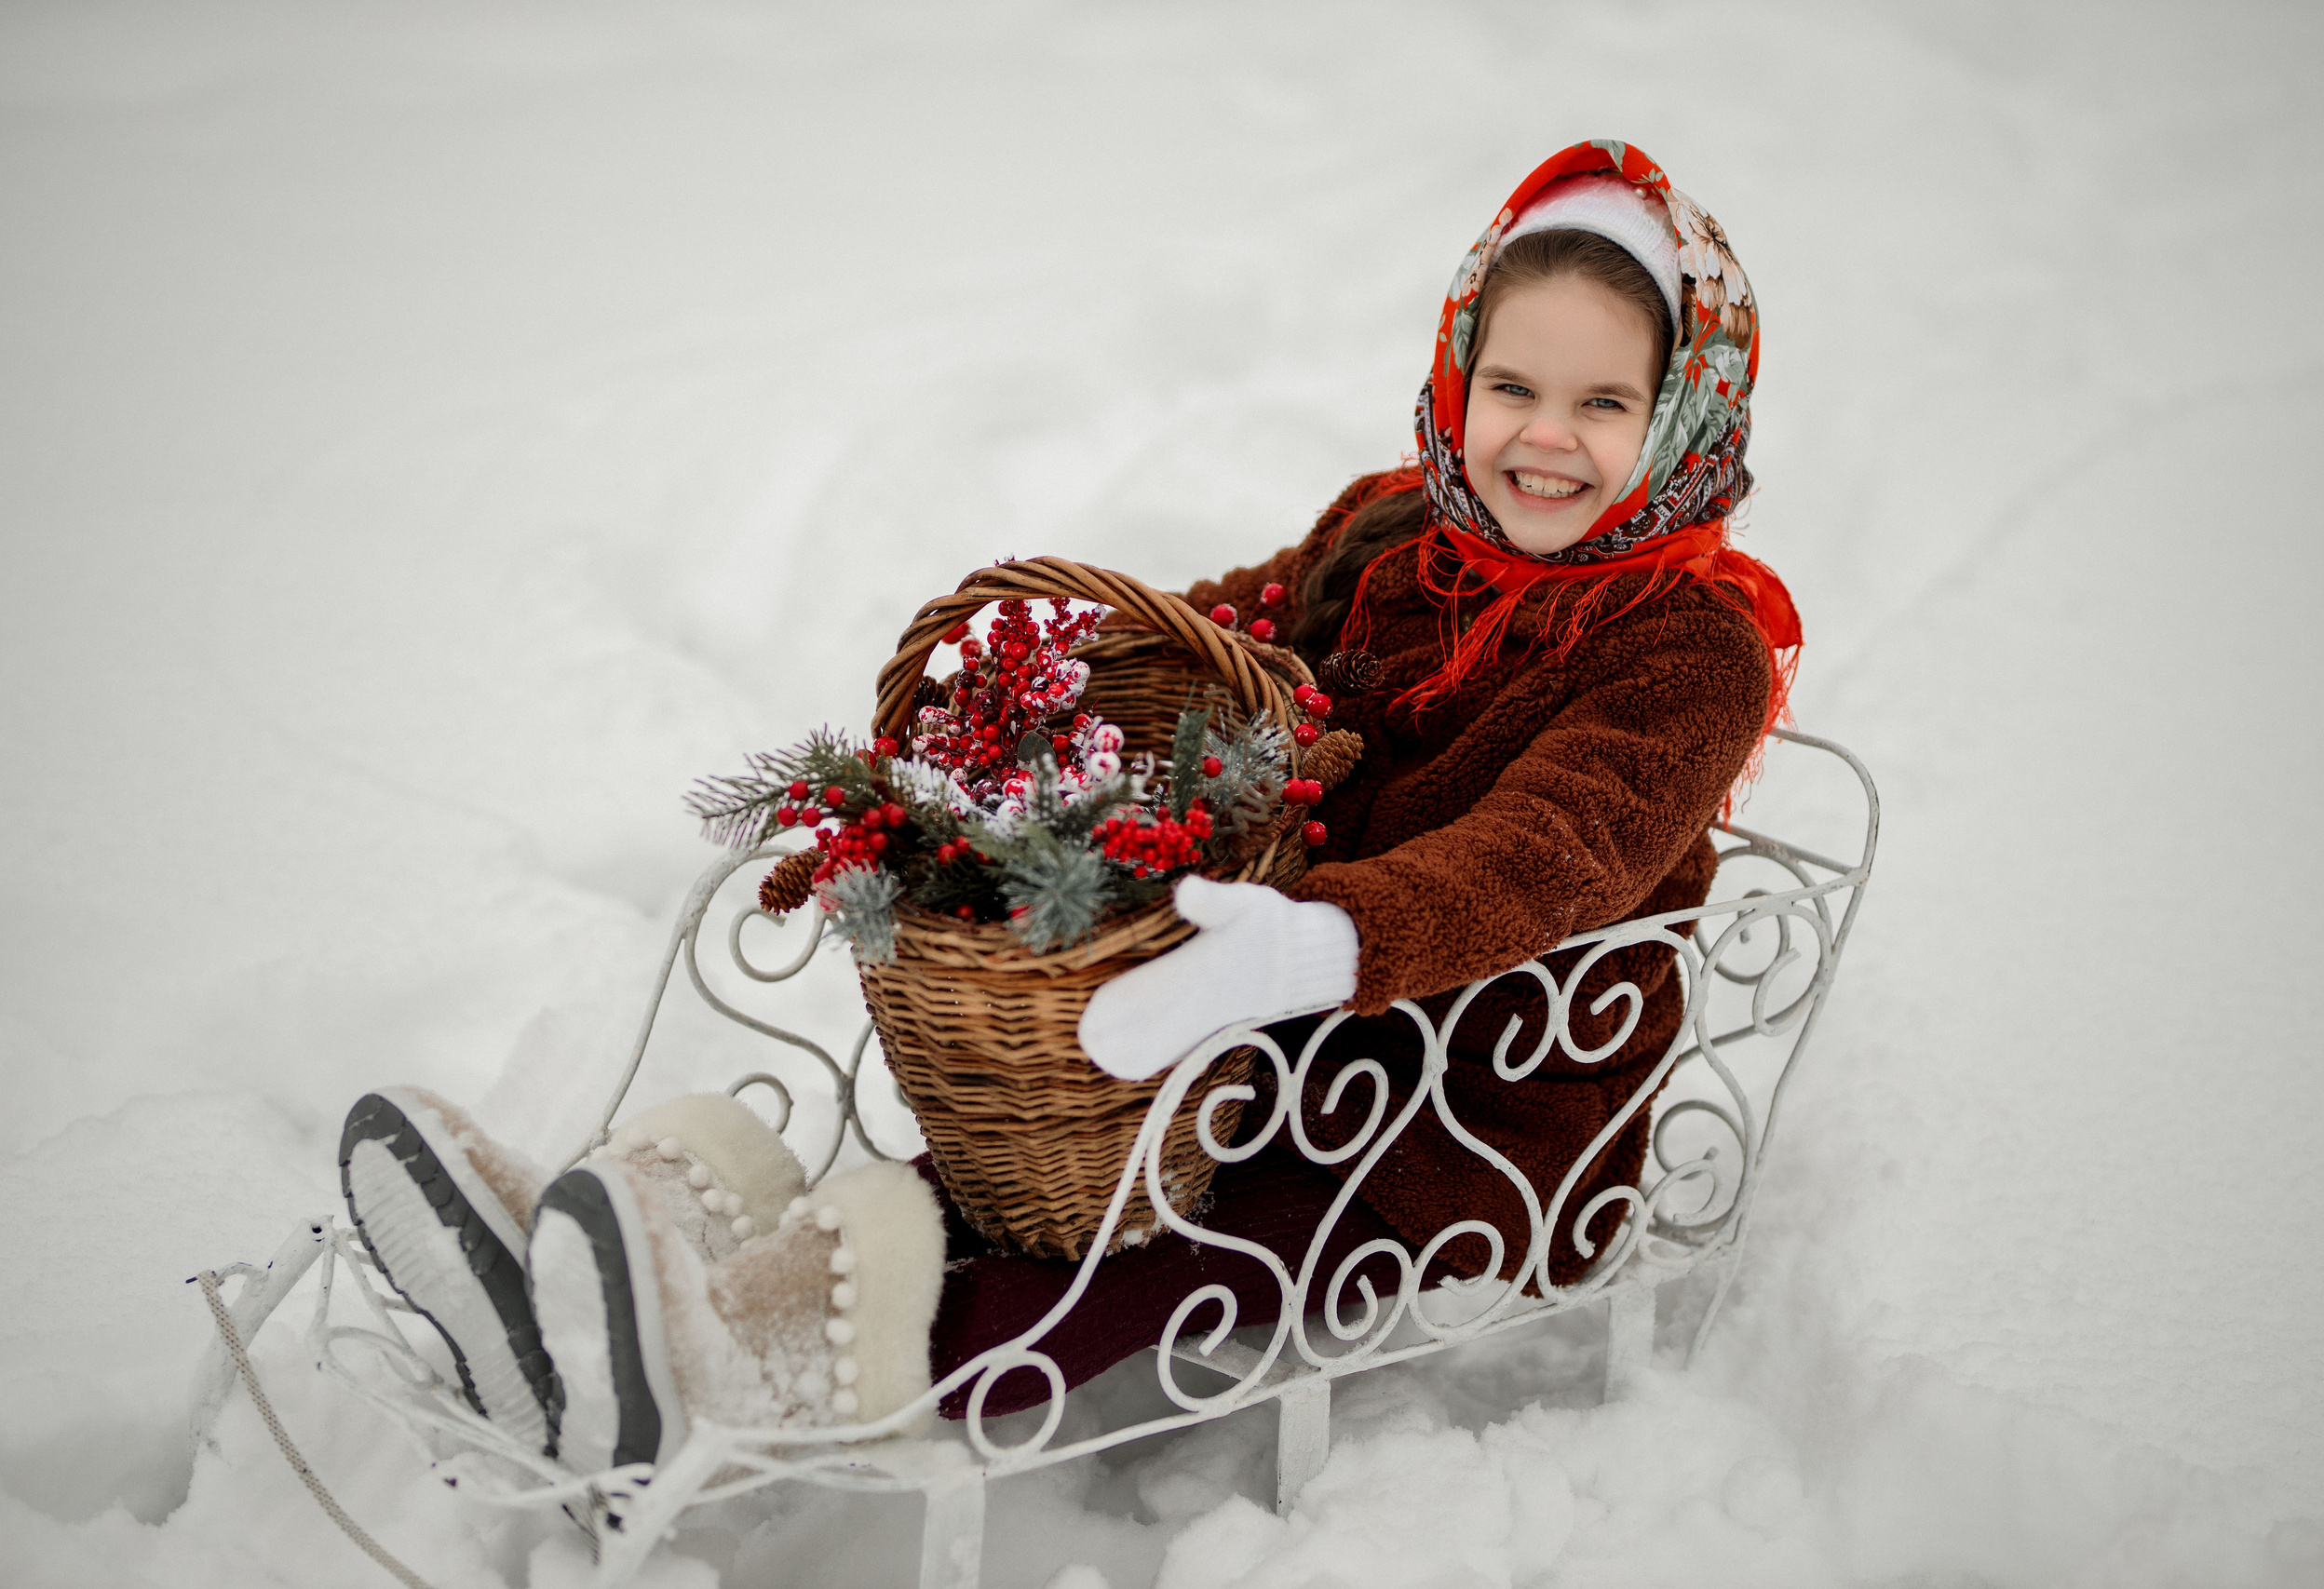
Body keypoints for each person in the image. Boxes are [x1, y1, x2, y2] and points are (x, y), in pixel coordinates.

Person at [335, 138, 1799, 1473]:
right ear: (1457, 371)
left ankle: (715, 1378)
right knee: (1009, 1180)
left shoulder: (1688, 649)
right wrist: (1044, 677)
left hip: (1453, 1127)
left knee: (1108, 1260)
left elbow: (1547, 858)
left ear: (1682, 412)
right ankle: (604, 1288)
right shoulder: (1400, 526)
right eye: (1512, 388)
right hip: (1254, 1041)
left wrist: (1310, 946)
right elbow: (1245, 631)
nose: (1545, 438)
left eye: (1605, 403)